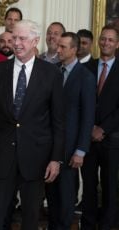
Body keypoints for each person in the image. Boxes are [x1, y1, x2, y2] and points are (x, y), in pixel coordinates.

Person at [0, 19, 64, 230]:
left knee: (31, 217)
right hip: (2, 154)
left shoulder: (51, 74)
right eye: (14, 37)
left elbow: (58, 120)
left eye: (22, 38)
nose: (17, 43)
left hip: (36, 157)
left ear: (35, 41)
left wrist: (56, 159)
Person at [45, 32, 96, 230]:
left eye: (63, 47)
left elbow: (88, 116)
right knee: (51, 195)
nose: (58, 50)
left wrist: (81, 150)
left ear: (74, 50)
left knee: (66, 198)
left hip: (71, 148)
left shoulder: (86, 77)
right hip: (51, 146)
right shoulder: (53, 71)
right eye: (58, 46)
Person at [81, 25, 119, 230]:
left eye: (111, 40)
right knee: (88, 186)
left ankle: (107, 225)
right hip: (87, 138)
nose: (106, 43)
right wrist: (89, 128)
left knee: (110, 186)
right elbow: (79, 103)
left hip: (112, 139)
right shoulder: (86, 67)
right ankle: (87, 225)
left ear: (117, 44)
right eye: (103, 39)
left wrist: (102, 128)